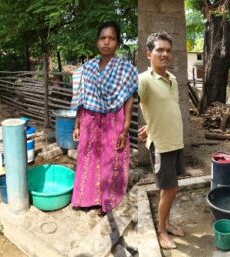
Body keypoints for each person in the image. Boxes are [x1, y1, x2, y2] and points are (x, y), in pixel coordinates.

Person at [70, 21, 138, 214]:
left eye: (111, 38)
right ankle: (86, 198)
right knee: (87, 157)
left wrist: (125, 130)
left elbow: (129, 101)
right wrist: (77, 125)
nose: (106, 42)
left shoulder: (126, 69)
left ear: (117, 43)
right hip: (89, 120)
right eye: (103, 38)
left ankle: (107, 201)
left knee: (111, 159)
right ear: (97, 42)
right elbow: (80, 98)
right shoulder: (86, 69)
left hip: (114, 121)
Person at [138, 32, 185, 249]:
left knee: (169, 188)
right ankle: (161, 231)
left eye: (168, 50)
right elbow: (129, 101)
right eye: (159, 50)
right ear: (149, 54)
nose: (165, 54)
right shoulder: (144, 80)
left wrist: (149, 125)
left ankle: (166, 222)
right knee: (170, 189)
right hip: (162, 146)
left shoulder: (172, 80)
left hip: (176, 142)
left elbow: (162, 109)